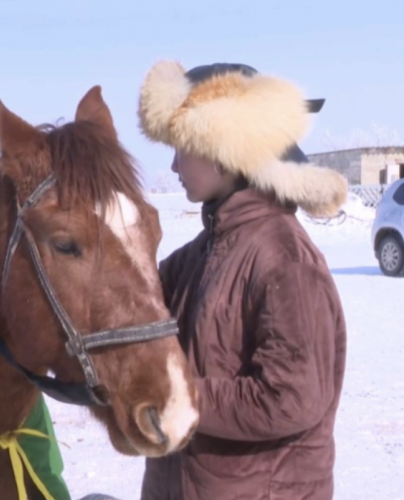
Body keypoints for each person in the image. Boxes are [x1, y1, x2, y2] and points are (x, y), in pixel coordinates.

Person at [136, 61, 349, 500]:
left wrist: (181, 395)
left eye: (182, 147)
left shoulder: (285, 259)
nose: (174, 163)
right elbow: (130, 315)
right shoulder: (201, 253)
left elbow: (290, 398)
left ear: (221, 150)